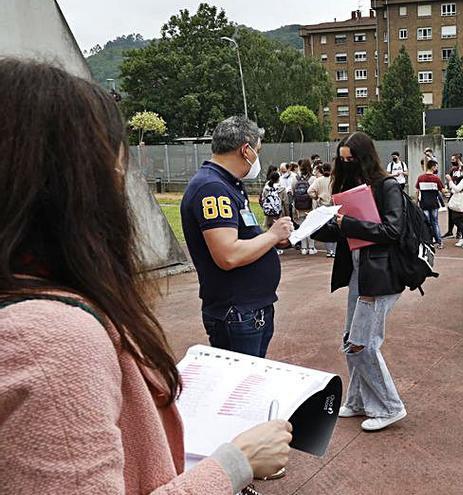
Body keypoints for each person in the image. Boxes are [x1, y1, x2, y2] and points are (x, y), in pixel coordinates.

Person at [0, 59, 291, 493]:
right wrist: (234, 465)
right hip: (238, 309)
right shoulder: (54, 338)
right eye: (113, 166)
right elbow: (227, 254)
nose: (120, 181)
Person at [312, 132, 408, 431]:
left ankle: (390, 407)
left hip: (381, 275)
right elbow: (341, 232)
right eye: (342, 161)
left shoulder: (387, 186)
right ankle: (356, 400)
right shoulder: (349, 187)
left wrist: (348, 223)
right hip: (359, 274)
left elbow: (393, 231)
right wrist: (311, 228)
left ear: (365, 157)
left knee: (361, 344)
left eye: (351, 159)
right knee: (350, 340)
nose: (347, 165)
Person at [181, 116, 292, 358]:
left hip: (247, 309)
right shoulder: (213, 188)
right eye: (258, 150)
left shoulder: (226, 184)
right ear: (246, 150)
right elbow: (228, 255)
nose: (258, 157)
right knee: (243, 389)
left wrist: (269, 239)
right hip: (238, 312)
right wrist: (272, 236)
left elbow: (241, 237)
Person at [416, 159, 446, 248]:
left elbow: (417, 191)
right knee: (435, 222)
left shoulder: (420, 178)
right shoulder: (436, 178)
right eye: (436, 166)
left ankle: (428, 240)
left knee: (426, 222)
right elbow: (443, 191)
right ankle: (439, 241)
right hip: (434, 203)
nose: (436, 168)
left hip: (424, 203)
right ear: (433, 167)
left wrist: (416, 202)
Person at [308, 162, 336, 257]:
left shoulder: (318, 180)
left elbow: (309, 191)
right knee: (335, 227)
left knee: (326, 228)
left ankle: (329, 251)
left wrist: (316, 197)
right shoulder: (334, 180)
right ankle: (334, 250)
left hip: (323, 206)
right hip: (333, 206)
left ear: (322, 170)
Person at [293, 158, 318, 255]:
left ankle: (304, 248)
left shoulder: (296, 178)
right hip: (310, 206)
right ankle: (311, 247)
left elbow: (292, 190)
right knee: (310, 226)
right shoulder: (313, 178)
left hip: (299, 207)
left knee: (302, 226)